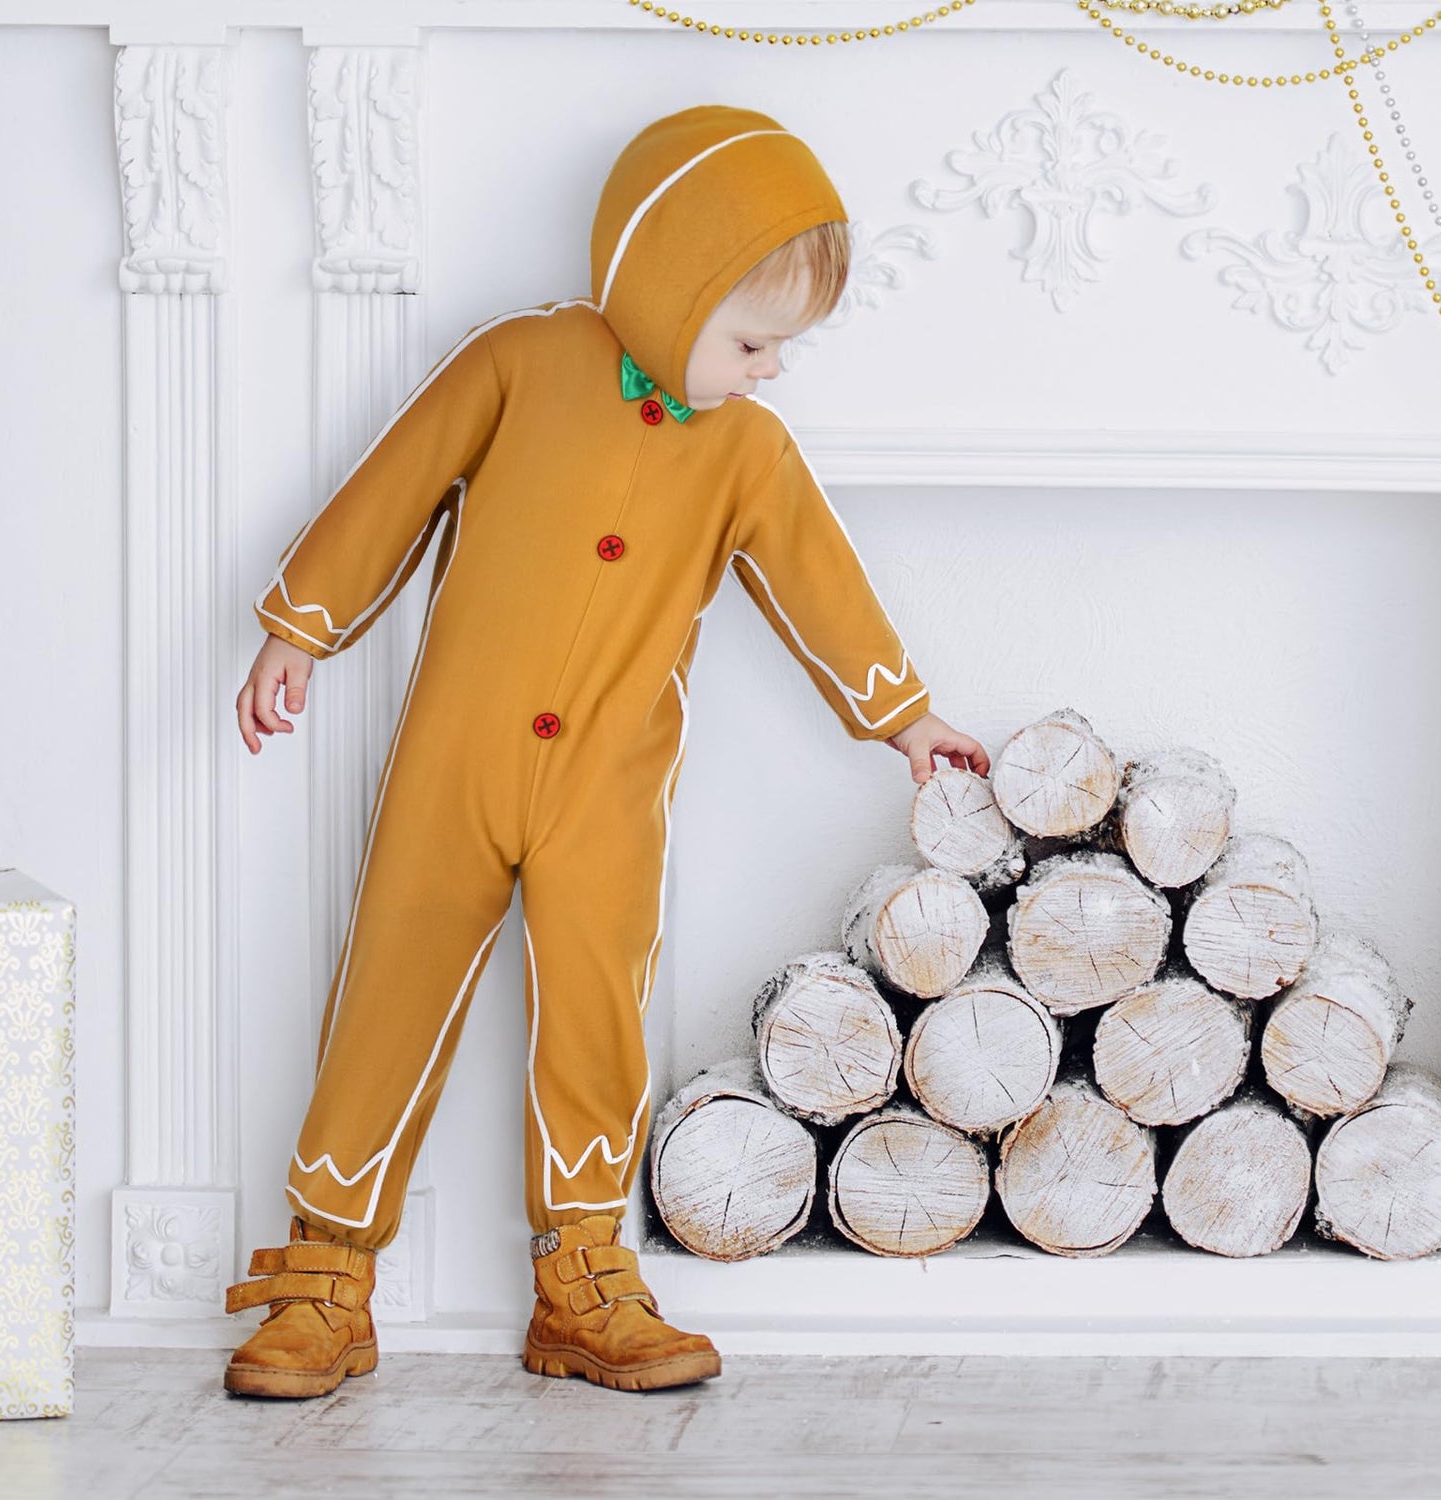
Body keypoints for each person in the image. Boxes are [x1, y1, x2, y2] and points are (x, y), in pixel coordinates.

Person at [222, 103, 991, 1400]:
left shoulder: (747, 449)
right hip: (454, 766)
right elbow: (394, 484)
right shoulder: (518, 362)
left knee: (596, 1016)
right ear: (666, 287)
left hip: (610, 788)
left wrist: (906, 718)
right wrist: (301, 627)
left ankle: (583, 1278)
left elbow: (820, 585)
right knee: (389, 991)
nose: (769, 371)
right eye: (752, 342)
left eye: (779, 349)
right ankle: (324, 1277)